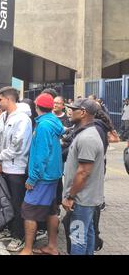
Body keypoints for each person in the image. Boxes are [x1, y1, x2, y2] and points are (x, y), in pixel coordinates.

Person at [20, 94, 64, 255]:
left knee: (29, 211)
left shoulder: (43, 126)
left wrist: (32, 178)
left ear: (37, 107)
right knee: (52, 211)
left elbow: (41, 156)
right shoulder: (54, 122)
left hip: (42, 177)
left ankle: (27, 249)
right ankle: (52, 246)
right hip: (53, 175)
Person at [62, 98, 105, 255]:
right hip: (86, 198)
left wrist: (70, 196)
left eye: (74, 109)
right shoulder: (86, 133)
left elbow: (83, 172)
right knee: (88, 233)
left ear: (83, 112)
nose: (70, 111)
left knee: (78, 237)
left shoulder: (88, 138)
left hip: (81, 199)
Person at [0, 87, 33, 252]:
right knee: (6, 202)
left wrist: (0, 157)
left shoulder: (23, 119)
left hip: (17, 168)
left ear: (9, 99)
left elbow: (19, 146)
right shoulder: (2, 116)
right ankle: (9, 230)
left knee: (17, 204)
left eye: (0, 99)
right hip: (3, 166)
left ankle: (19, 236)